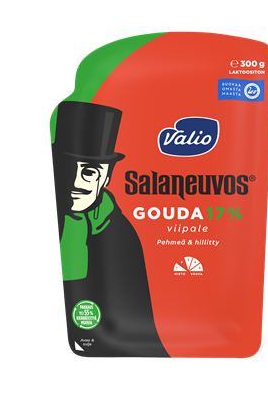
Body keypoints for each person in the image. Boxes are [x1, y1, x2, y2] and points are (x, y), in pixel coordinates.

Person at [51, 101, 169, 357]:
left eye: (89, 172)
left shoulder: (121, 234)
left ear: (107, 177)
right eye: (68, 167)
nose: (76, 182)